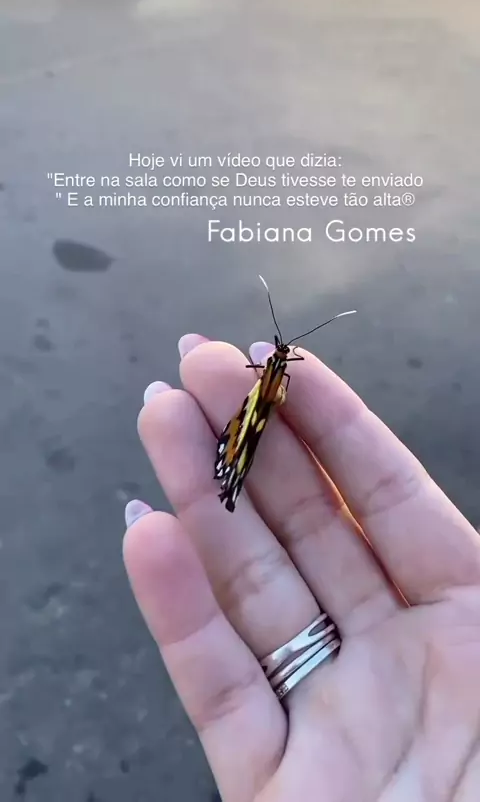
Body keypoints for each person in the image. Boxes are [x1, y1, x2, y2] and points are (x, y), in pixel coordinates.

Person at [123, 333, 480, 802]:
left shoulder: (274, 376)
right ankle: (230, 467)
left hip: (253, 422)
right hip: (250, 421)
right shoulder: (274, 375)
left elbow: (268, 398)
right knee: (239, 439)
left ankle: (230, 468)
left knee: (243, 438)